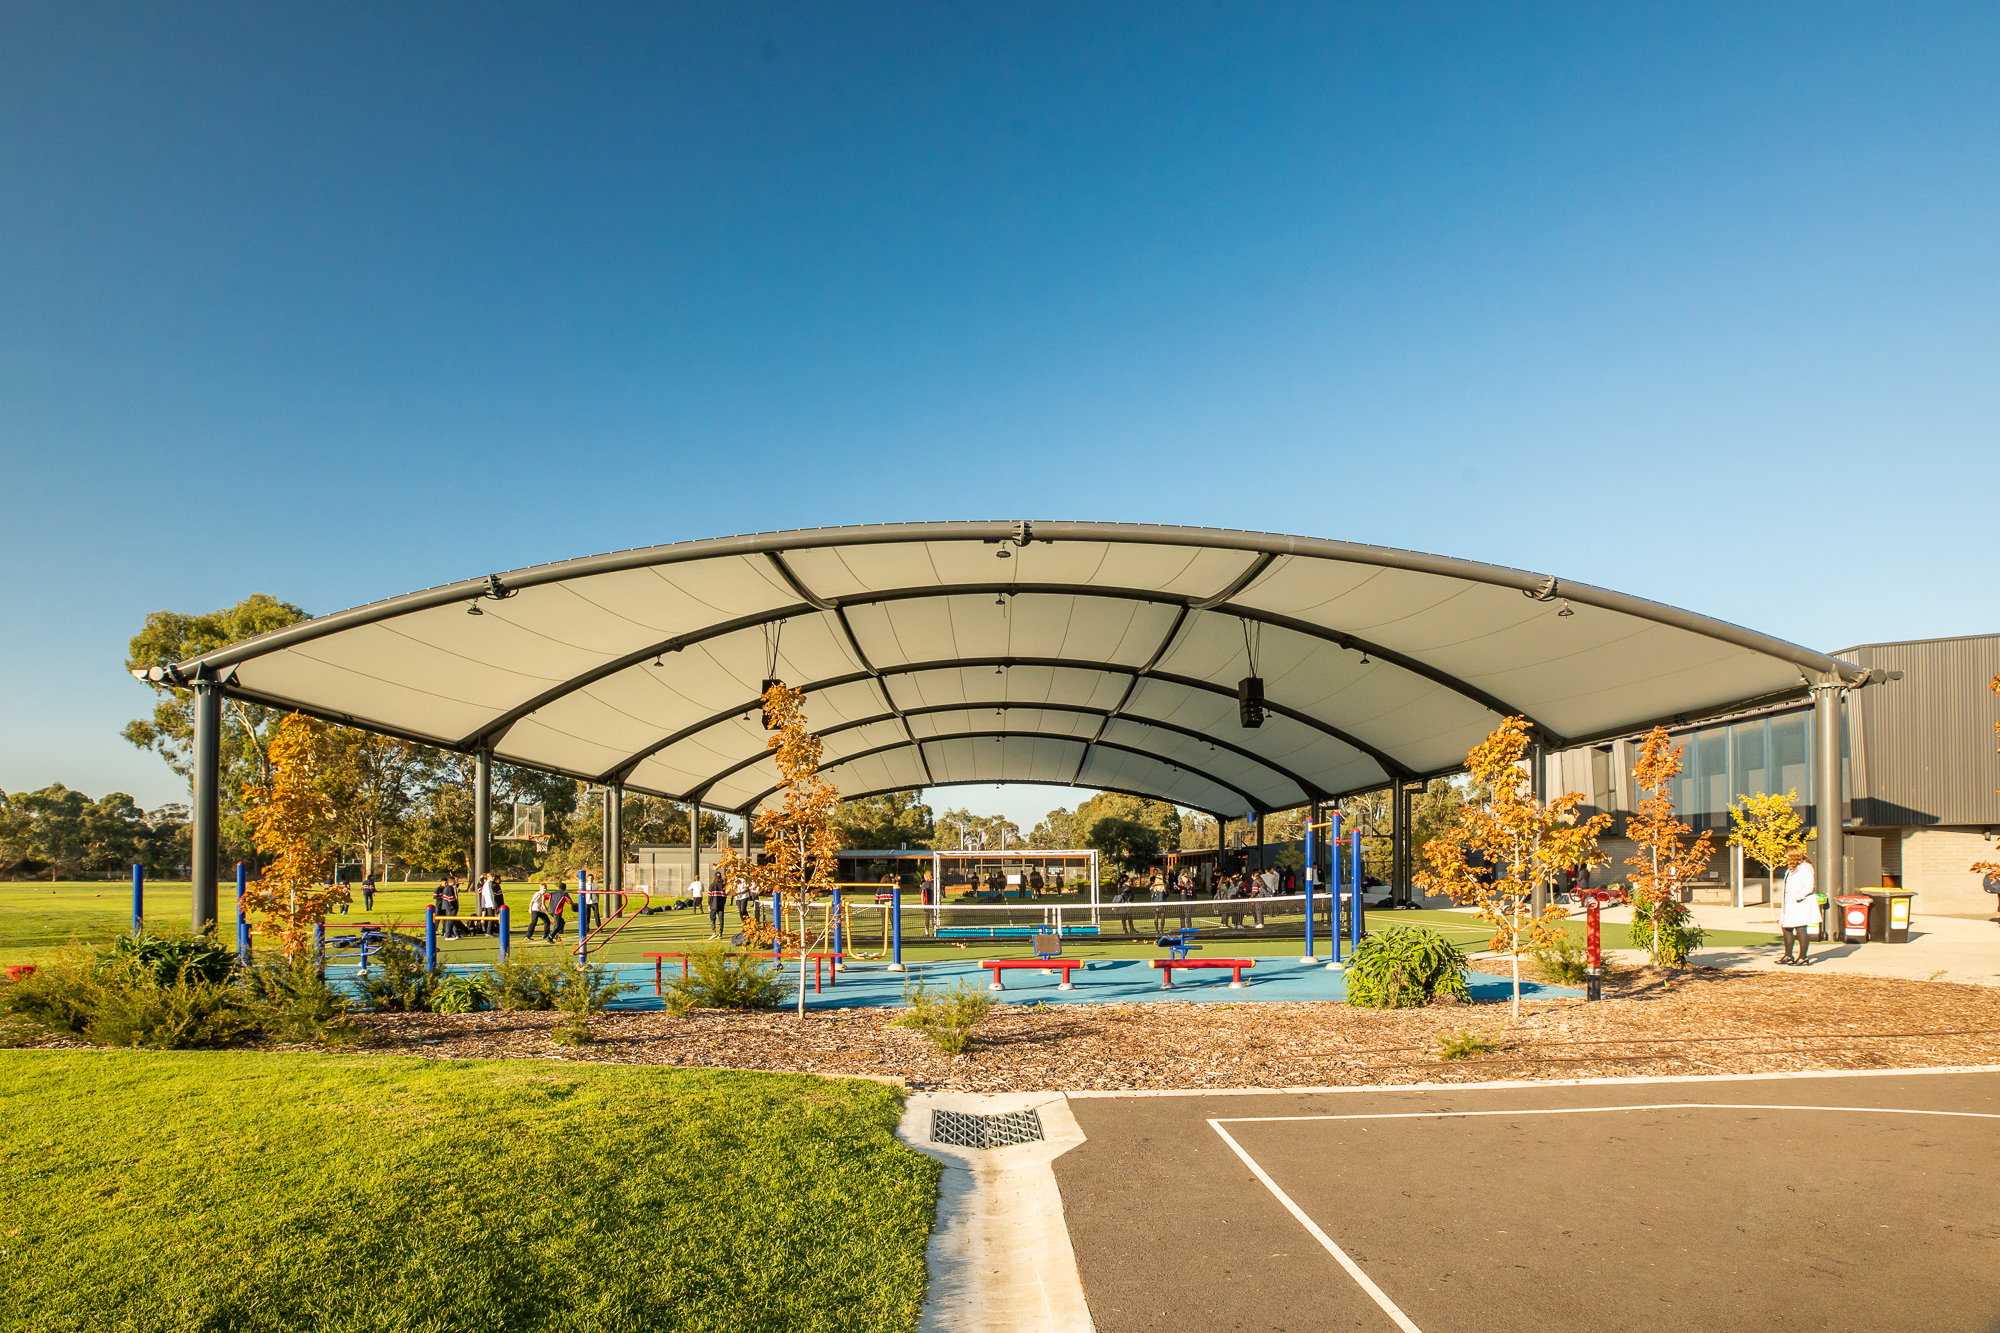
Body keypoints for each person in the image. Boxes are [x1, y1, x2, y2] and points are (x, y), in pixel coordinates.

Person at [1778, 845, 1819, 965]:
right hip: (1789, 903)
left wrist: (1798, 897)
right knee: (1786, 927)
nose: (1785, 856)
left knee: (1800, 928)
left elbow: (1809, 886)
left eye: (1786, 853)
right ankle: (1788, 955)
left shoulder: (1805, 867)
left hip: (1800, 903)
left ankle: (1803, 957)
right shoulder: (1792, 869)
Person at [704, 867, 728, 939]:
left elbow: (710, 896)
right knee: (721, 918)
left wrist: (709, 904)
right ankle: (720, 934)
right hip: (721, 904)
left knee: (712, 918)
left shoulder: (712, 885)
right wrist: (723, 903)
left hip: (713, 905)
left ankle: (714, 933)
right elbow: (725, 896)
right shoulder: (724, 886)